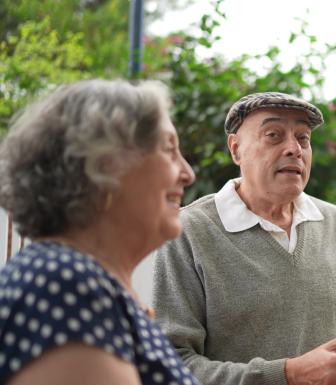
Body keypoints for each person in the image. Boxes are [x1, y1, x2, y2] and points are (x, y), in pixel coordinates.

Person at [151, 92, 336, 385]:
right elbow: (170, 366)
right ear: (236, 150)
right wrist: (287, 375)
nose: (294, 149)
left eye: (303, 138)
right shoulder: (187, 232)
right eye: (273, 135)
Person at [0, 79, 201, 385]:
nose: (188, 174)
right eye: (169, 149)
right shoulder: (64, 284)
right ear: (106, 164)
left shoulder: (80, 283)